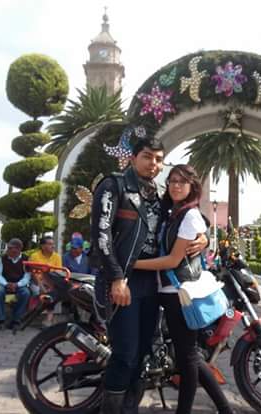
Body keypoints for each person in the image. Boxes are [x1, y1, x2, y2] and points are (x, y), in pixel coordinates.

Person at [91, 137, 207, 414]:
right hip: (122, 282)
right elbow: (101, 235)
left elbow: (186, 218)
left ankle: (129, 408)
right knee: (125, 355)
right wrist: (117, 277)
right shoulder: (114, 186)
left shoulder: (157, 194)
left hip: (151, 285)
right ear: (132, 158)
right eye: (147, 156)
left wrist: (205, 238)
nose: (153, 164)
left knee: (143, 354)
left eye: (158, 159)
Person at [133, 164, 233, 414]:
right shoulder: (173, 212)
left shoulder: (189, 215)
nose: (176, 185)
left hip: (180, 295)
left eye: (182, 182)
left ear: (192, 187)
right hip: (168, 294)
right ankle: (225, 409)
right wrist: (206, 237)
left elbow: (172, 260)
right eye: (172, 181)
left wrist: (132, 265)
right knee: (191, 357)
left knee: (187, 359)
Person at [0, 238, 30, 330]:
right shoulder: (2, 258)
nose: (8, 250)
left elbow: (27, 277)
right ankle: (0, 320)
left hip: (19, 285)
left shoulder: (26, 259)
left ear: (18, 249)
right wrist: (6, 284)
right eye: (8, 248)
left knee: (26, 293)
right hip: (4, 284)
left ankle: (16, 320)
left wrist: (17, 285)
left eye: (10, 248)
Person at [29, 236, 62, 326]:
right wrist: (41, 286)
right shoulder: (34, 256)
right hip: (36, 281)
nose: (53, 246)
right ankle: (39, 317)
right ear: (43, 246)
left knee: (53, 293)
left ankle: (48, 318)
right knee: (37, 292)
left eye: (53, 244)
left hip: (51, 282)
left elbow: (58, 274)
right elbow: (33, 274)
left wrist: (48, 285)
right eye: (50, 244)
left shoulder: (57, 257)